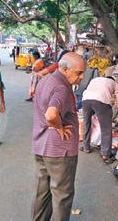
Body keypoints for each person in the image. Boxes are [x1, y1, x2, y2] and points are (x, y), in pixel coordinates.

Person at [31, 52, 86, 221]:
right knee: (63, 196)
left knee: (43, 194)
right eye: (78, 73)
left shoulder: (46, 80)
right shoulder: (62, 88)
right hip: (59, 152)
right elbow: (51, 114)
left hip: (41, 147)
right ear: (64, 69)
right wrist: (60, 126)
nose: (81, 78)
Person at [81, 76, 118, 164]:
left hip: (86, 100)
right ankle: (105, 155)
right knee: (106, 129)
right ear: (113, 80)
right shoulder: (115, 84)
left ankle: (86, 147)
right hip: (101, 101)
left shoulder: (95, 79)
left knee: (87, 123)